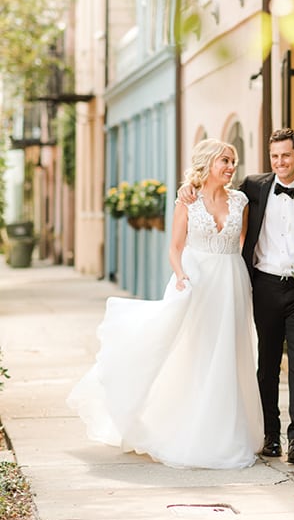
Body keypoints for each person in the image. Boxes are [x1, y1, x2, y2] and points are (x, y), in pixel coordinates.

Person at [67, 139, 263, 470]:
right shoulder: (188, 201)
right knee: (193, 354)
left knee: (229, 354)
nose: (231, 167)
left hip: (231, 280)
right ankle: (188, 427)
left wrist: (236, 274)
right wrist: (182, 274)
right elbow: (174, 247)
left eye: (233, 161)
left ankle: (228, 431)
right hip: (196, 281)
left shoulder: (241, 200)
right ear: (208, 163)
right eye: (225, 160)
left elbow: (243, 242)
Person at [179, 127, 294, 464]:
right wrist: (188, 188)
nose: (279, 162)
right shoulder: (254, 189)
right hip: (264, 287)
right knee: (267, 365)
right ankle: (271, 436)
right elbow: (213, 188)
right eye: (274, 156)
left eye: (286, 156)